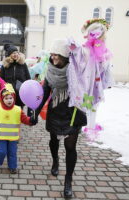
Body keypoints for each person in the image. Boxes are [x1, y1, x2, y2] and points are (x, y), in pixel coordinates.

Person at [34, 39, 87, 198]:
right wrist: (35, 111)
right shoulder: (49, 70)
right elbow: (44, 93)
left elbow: (87, 86)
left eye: (56, 54)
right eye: (52, 54)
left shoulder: (76, 70)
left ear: (65, 55)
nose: (53, 57)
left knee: (70, 146)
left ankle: (68, 180)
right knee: (54, 141)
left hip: (72, 113)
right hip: (56, 111)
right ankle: (55, 160)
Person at [0, 84, 37, 174]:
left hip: (13, 137)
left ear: (14, 98)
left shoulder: (17, 109)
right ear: (2, 99)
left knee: (12, 153)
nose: (9, 100)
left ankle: (12, 167)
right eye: (6, 98)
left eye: (11, 98)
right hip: (1, 137)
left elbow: (25, 119)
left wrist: (31, 121)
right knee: (1, 151)